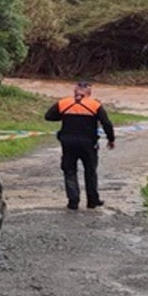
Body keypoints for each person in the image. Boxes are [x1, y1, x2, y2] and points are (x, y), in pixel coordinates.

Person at [44, 81, 115, 210]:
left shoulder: (63, 103)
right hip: (88, 143)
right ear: (89, 93)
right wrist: (111, 139)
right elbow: (107, 124)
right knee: (90, 171)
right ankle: (92, 200)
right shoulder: (95, 105)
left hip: (68, 143)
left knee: (69, 171)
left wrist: (65, 116)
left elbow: (48, 116)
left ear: (75, 91)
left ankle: (73, 201)